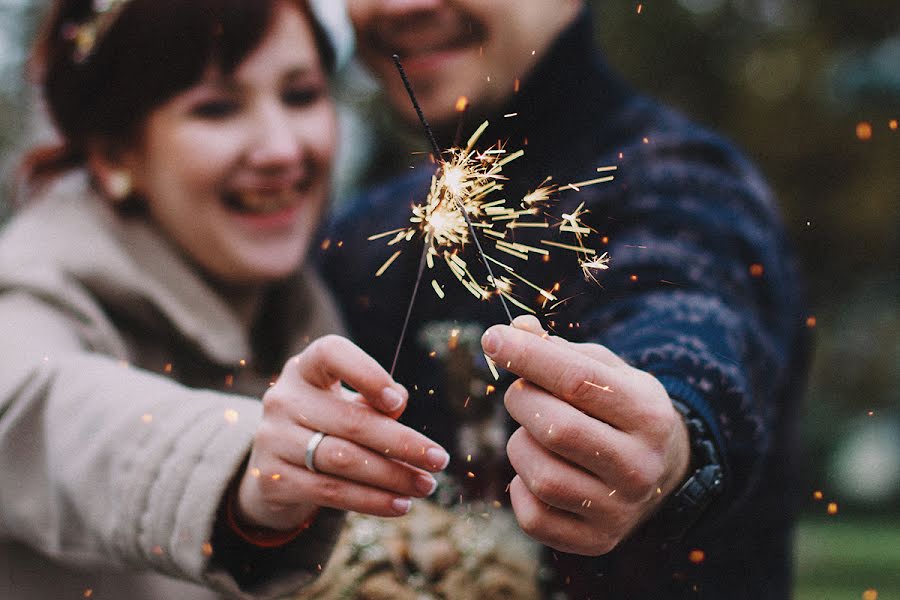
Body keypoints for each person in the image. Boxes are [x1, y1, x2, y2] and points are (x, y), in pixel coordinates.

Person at [320, 0, 810, 598]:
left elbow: (688, 310)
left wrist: (670, 433)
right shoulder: (357, 240)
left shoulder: (687, 186)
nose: (402, 5)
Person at [0, 1, 453, 598]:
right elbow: (41, 409)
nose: (280, 149)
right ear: (115, 155)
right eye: (216, 108)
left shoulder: (322, 301)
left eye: (300, 95)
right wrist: (243, 465)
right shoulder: (32, 293)